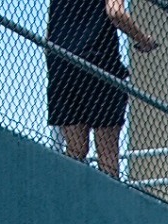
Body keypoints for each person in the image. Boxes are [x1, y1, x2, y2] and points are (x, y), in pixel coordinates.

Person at [46, 0, 158, 176]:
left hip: (62, 61)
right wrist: (144, 40)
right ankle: (108, 200)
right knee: (107, 154)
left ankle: (68, 196)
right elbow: (115, 13)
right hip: (99, 62)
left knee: (75, 150)